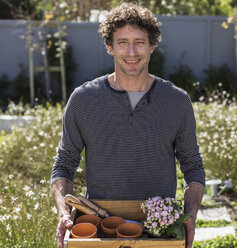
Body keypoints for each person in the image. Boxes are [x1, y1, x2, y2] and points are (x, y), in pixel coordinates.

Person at [50, 2, 205, 248]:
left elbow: (193, 166)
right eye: (122, 42)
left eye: (140, 42)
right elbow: (64, 165)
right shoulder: (83, 100)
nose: (131, 52)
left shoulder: (177, 101)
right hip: (102, 230)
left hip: (160, 231)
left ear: (152, 46)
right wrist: (63, 212)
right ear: (110, 47)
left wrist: (190, 216)